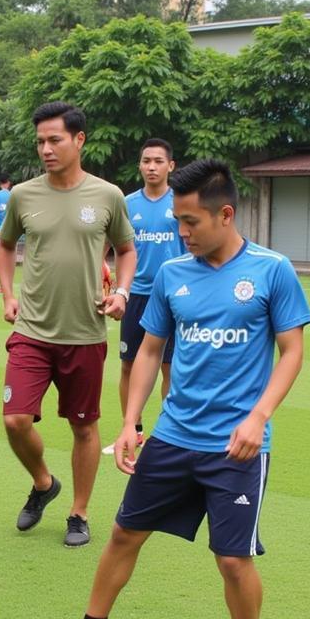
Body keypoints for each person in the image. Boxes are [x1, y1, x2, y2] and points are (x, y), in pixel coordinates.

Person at [33, 159, 310, 619]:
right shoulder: (173, 275)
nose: (181, 233)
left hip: (236, 446)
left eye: (189, 222)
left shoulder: (271, 270)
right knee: (122, 534)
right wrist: (133, 421)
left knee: (233, 560)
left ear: (225, 214)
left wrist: (259, 416)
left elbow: (292, 351)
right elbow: (150, 350)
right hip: (173, 436)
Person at [0, 101, 136, 548]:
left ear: (79, 140)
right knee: (15, 419)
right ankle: (43, 484)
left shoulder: (108, 195)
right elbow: (4, 246)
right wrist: (9, 294)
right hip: (32, 329)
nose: (46, 149)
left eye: (55, 139)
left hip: (86, 332)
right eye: (40, 141)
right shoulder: (23, 195)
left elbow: (126, 251)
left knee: (84, 427)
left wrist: (122, 293)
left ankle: (79, 512)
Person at [103, 138, 185, 455]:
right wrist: (100, 265)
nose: (151, 167)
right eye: (146, 161)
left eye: (158, 161)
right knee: (128, 365)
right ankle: (132, 430)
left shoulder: (181, 202)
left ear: (170, 166)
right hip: (135, 295)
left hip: (174, 297)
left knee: (170, 367)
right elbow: (109, 243)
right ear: (140, 165)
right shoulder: (126, 203)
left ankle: (169, 434)